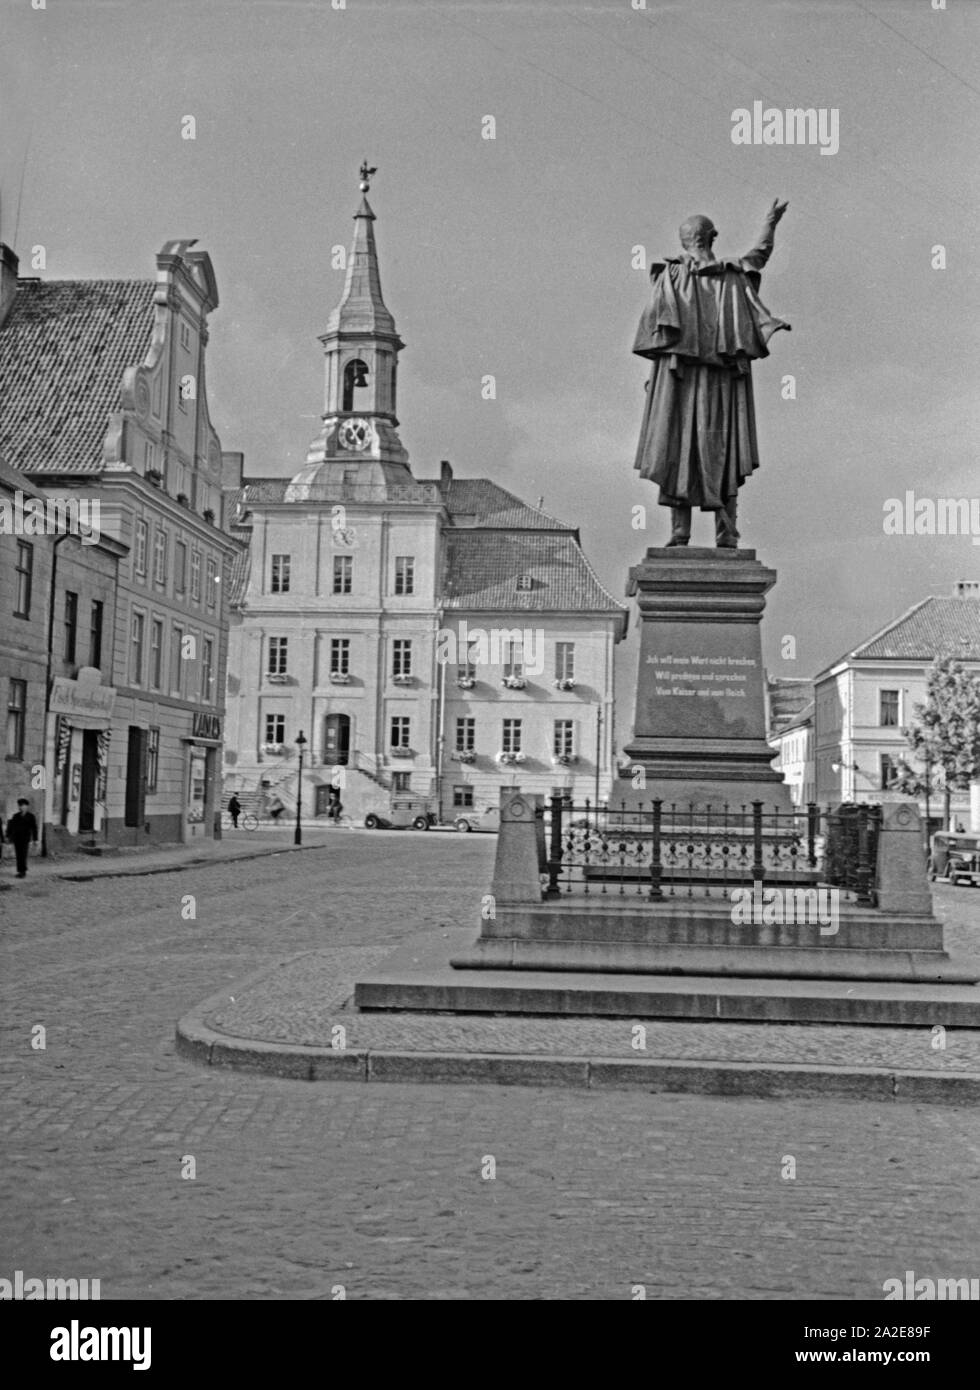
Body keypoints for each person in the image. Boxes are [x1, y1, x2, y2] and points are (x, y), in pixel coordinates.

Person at [633, 199, 790, 548]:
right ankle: (726, 531)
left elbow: (659, 336)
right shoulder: (729, 274)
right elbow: (760, 253)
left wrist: (655, 379)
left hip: (682, 382)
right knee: (723, 448)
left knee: (679, 448)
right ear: (712, 237)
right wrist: (770, 222)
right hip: (716, 382)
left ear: (686, 240)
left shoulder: (671, 276)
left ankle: (681, 533)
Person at [6, 798, 39, 878]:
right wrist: (8, 836)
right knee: (18, 855)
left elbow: (34, 828)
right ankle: (20, 871)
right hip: (17, 839)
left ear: (27, 807)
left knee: (23, 855)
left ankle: (23, 872)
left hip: (25, 839)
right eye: (20, 806)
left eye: (23, 806)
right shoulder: (16, 816)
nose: (21, 807)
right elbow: (11, 826)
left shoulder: (31, 816)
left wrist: (35, 839)